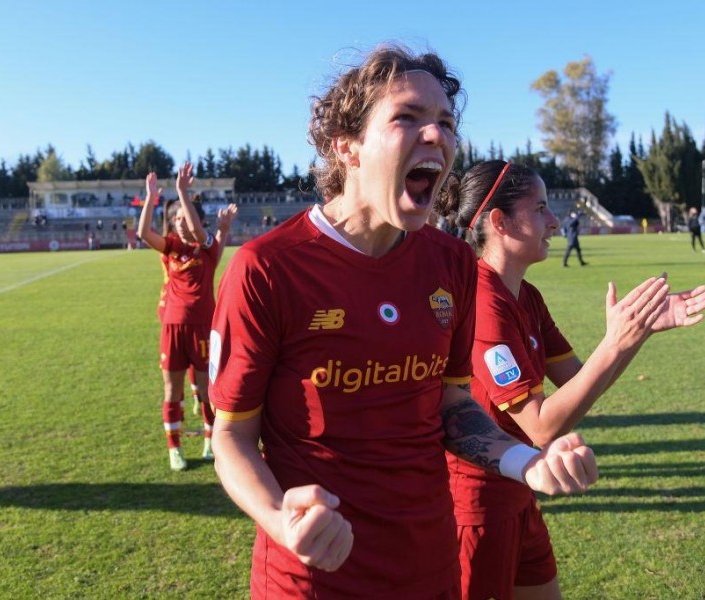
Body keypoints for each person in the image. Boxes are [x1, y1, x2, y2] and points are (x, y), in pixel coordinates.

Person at [207, 46, 599, 599]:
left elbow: (454, 406)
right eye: (407, 118)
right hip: (311, 578)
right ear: (348, 147)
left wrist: (526, 463)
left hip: (431, 569)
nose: (436, 135)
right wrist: (279, 515)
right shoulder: (268, 267)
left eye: (445, 122)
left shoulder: (454, 264)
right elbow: (231, 435)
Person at [436, 160, 705, 600]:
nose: (554, 220)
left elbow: (581, 381)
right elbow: (542, 425)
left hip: (523, 491)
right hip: (480, 508)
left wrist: (635, 333)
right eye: (540, 208)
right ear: (499, 221)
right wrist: (617, 343)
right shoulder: (484, 301)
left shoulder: (526, 295)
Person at [138, 163, 235, 471]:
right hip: (172, 326)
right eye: (176, 217)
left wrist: (182, 192)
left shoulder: (208, 249)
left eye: (185, 216)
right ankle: (174, 449)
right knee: (172, 390)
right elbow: (143, 233)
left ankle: (210, 438)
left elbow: (199, 232)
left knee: (207, 390)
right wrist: (151, 198)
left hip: (204, 327)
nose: (180, 223)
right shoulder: (170, 249)